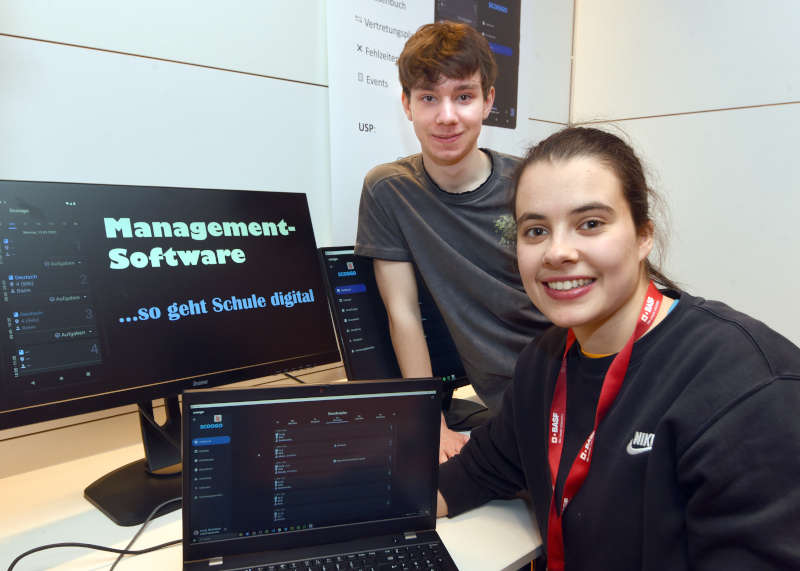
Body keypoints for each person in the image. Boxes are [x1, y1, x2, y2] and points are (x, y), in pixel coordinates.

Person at [437, 127, 800, 569]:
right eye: (535, 230)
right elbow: (473, 474)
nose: (558, 252)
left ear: (644, 234)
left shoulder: (751, 387)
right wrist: (342, 500)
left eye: (590, 223)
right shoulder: (543, 363)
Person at [355, 21, 549, 461]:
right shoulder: (390, 190)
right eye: (428, 97)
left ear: (488, 102)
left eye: (463, 96)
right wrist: (430, 421)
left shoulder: (532, 182)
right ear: (406, 105)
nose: (447, 116)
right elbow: (402, 313)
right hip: (512, 413)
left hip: (581, 381)